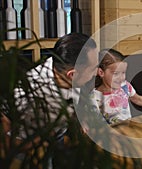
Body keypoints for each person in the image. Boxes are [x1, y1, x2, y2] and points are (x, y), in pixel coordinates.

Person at [0, 32, 98, 167]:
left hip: (55, 136)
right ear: (72, 75)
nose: (97, 72)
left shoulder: (62, 65)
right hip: (28, 151)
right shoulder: (32, 93)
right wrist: (42, 141)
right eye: (93, 69)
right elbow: (7, 142)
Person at [92, 48, 142, 124]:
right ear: (101, 72)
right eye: (116, 73)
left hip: (129, 129)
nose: (121, 78)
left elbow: (138, 99)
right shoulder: (94, 96)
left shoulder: (125, 86)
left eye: (123, 73)